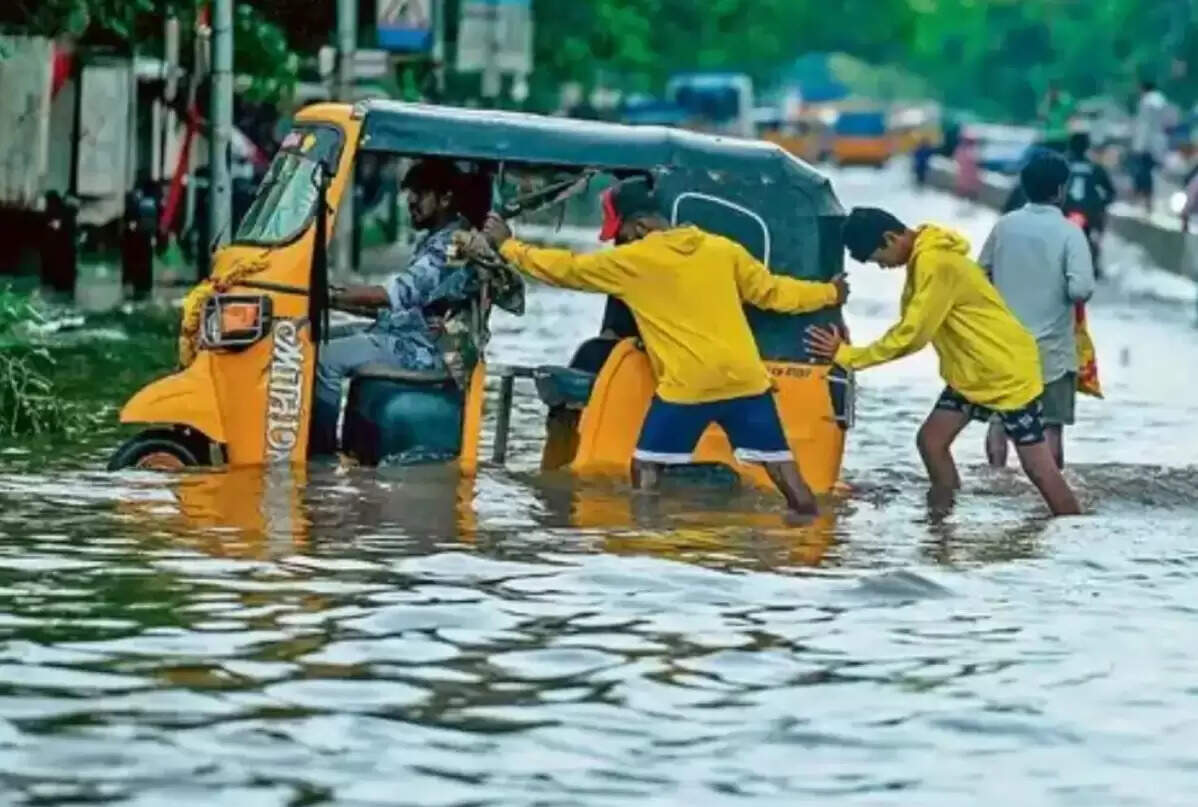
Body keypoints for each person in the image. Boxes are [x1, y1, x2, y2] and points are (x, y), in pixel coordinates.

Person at [477, 178, 849, 517]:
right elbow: (774, 292)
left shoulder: (635, 260)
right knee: (784, 471)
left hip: (689, 386)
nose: (621, 242)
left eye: (622, 234)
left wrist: (509, 246)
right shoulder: (721, 249)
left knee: (646, 467)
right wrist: (830, 293)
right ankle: (810, 536)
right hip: (748, 381)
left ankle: (648, 539)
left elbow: (566, 268)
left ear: (640, 227)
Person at [806, 208, 1082, 517]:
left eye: (878, 259)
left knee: (1038, 468)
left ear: (891, 237)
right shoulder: (925, 256)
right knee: (931, 442)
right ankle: (940, 522)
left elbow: (912, 335)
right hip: (972, 373)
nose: (883, 266)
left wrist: (847, 356)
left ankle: (1072, 527)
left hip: (1003, 372)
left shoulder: (934, 263)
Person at [311, 159, 522, 455]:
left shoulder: (454, 246)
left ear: (445, 199)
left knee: (324, 359)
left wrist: (327, 295)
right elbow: (406, 305)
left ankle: (318, 455)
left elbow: (394, 295)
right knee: (313, 338)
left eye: (420, 193)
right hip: (408, 333)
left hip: (428, 350)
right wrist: (334, 298)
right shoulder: (438, 239)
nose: (410, 201)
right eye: (410, 192)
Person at [978, 152, 1096, 470]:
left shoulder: (1004, 226)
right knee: (1051, 425)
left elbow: (978, 275)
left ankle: (995, 481)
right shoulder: (1070, 232)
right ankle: (1049, 490)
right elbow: (1081, 289)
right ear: (1060, 190)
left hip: (1004, 345)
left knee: (999, 420)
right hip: (1053, 350)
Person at [1061, 131, 1116, 275]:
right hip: (1090, 211)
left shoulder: (1062, 165)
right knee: (1095, 235)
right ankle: (1094, 264)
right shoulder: (1094, 167)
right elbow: (1110, 191)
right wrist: (1102, 203)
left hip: (1065, 209)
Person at [1130, 79, 1169, 214]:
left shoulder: (1146, 102)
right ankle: (1154, 202)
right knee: (1156, 173)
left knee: (1143, 173)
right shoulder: (1162, 101)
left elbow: (1144, 125)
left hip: (1147, 144)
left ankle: (1146, 202)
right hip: (1160, 142)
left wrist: (1138, 146)